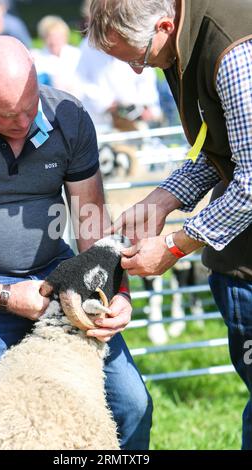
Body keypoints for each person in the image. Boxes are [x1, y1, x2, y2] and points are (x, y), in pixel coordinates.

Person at [0, 35, 152, 450]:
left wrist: (117, 292)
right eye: (7, 115)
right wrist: (4, 296)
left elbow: (91, 220)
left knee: (131, 404)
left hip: (58, 277)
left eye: (29, 106)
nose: (24, 122)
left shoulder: (68, 115)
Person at [87, 0, 252, 450]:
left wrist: (176, 246)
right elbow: (217, 145)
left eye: (138, 59)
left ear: (163, 24)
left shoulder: (232, 50)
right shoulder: (182, 41)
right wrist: (161, 200)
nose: (140, 73)